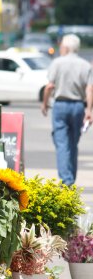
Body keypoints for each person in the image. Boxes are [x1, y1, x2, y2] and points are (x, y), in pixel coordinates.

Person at [41, 34, 93, 186]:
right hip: (78, 106)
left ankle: (67, 181)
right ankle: (71, 177)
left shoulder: (57, 63)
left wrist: (44, 104)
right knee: (72, 144)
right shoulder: (85, 65)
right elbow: (89, 89)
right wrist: (89, 110)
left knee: (62, 144)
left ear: (65, 47)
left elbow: (49, 86)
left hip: (60, 105)